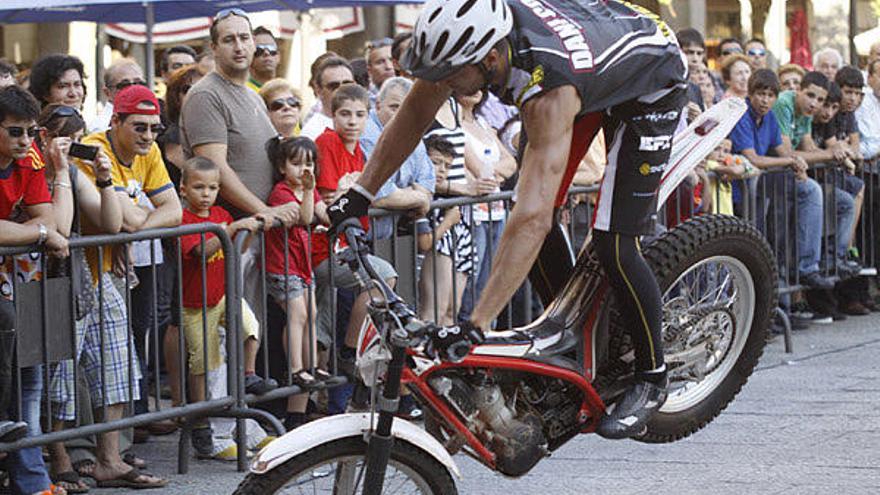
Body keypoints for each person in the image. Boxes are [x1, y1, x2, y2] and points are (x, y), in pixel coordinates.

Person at [329, 0, 689, 439]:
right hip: (588, 64)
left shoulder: (549, 94)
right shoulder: (467, 49)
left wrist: (475, 324)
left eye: (448, 75)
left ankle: (652, 376)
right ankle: (575, 333)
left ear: (490, 58)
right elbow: (414, 115)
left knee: (612, 241)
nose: (440, 83)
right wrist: (362, 193)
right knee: (532, 206)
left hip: (648, 77)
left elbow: (533, 218)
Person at [181, 8, 298, 334]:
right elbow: (215, 168)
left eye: (245, 38)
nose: (239, 46)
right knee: (229, 332)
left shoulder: (254, 96)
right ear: (214, 48)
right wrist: (265, 211)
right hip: (231, 231)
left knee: (254, 330)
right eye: (229, 39)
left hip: (260, 229)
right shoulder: (206, 94)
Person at [36, 103, 124, 494]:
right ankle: (59, 459)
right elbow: (60, 225)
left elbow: (111, 223)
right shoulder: (36, 168)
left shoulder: (72, 170)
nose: (71, 146)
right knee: (59, 375)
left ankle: (110, 457)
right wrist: (57, 169)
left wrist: (105, 180)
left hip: (80, 276)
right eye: (63, 137)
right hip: (43, 280)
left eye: (78, 137)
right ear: (43, 135)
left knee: (112, 360)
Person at [0, 85, 69, 495]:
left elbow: (53, 220)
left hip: (19, 278)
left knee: (32, 378)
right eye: (14, 132)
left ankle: (32, 480)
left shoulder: (30, 158)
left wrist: (36, 230)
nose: (25, 141)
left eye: (30, 131)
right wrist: (38, 233)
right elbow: (46, 227)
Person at [177, 156, 269, 457]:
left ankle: (247, 375)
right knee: (204, 362)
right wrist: (228, 230)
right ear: (183, 188)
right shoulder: (184, 220)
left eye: (213, 187)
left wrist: (246, 232)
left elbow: (235, 249)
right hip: (196, 304)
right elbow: (203, 251)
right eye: (199, 187)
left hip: (223, 295)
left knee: (250, 327)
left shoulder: (219, 213)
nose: (206, 193)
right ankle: (203, 423)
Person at [313, 83, 397, 372]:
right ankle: (349, 351)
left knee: (319, 326)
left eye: (359, 115)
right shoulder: (326, 143)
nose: (352, 121)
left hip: (347, 244)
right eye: (345, 114)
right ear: (333, 116)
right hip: (323, 247)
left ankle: (316, 397)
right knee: (383, 278)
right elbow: (331, 199)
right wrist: (347, 192)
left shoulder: (360, 150)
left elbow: (356, 194)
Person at [729, 70, 836, 293]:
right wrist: (791, 160)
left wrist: (795, 161)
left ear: (776, 97)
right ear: (750, 94)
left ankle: (807, 267)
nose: (765, 100)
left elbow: (782, 150)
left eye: (770, 95)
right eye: (760, 94)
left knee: (810, 191)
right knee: (754, 248)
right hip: (740, 193)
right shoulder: (741, 115)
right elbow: (753, 158)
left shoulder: (769, 118)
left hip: (765, 189)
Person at [265, 136, 330, 430]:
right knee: (298, 315)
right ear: (282, 166)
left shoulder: (306, 190)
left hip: (302, 267)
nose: (304, 168)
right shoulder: (281, 193)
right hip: (283, 265)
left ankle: (311, 366)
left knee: (311, 316)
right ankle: (296, 369)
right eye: (296, 163)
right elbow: (305, 217)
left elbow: (322, 215)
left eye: (309, 162)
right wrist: (309, 189)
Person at [359, 77, 434, 240]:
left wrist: (402, 195)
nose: (401, 115)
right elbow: (378, 195)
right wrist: (418, 197)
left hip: (390, 237)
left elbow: (427, 184)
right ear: (378, 105)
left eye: (409, 109)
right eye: (394, 107)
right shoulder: (367, 133)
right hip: (362, 237)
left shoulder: (413, 132)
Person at [418, 135, 466, 326]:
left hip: (460, 247)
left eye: (447, 166)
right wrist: (448, 221)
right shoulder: (420, 194)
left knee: (452, 310)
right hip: (439, 248)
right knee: (435, 310)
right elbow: (424, 243)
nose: (441, 170)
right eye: (436, 163)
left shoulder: (445, 193)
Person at [300, 57, 355, 141]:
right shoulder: (312, 133)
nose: (341, 90)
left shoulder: (364, 122)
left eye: (347, 84)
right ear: (318, 90)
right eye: (333, 86)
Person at [88, 58, 145, 133]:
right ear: (107, 92)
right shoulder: (101, 127)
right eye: (124, 85)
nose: (133, 89)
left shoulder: (148, 119)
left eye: (138, 83)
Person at [247, 26, 280, 92]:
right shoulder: (243, 91)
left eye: (271, 48)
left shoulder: (285, 91)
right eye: (259, 49)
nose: (267, 53)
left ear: (278, 56)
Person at [365, 38, 395, 103]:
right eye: (380, 62)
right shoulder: (364, 102)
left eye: (392, 60)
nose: (388, 66)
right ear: (369, 71)